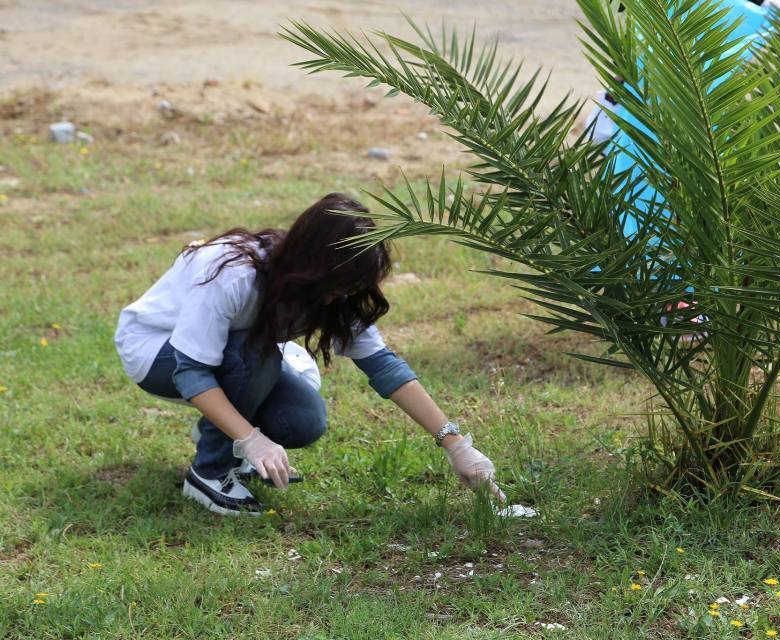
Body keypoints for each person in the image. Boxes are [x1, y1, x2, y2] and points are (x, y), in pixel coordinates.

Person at [114, 193, 505, 515]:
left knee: (302, 420)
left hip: (230, 355)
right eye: (340, 284)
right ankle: (210, 472)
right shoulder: (235, 275)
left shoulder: (336, 291)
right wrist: (251, 438)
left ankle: (222, 432)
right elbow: (190, 371)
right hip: (155, 352)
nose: (344, 296)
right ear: (315, 265)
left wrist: (457, 446)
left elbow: (383, 366)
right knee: (258, 353)